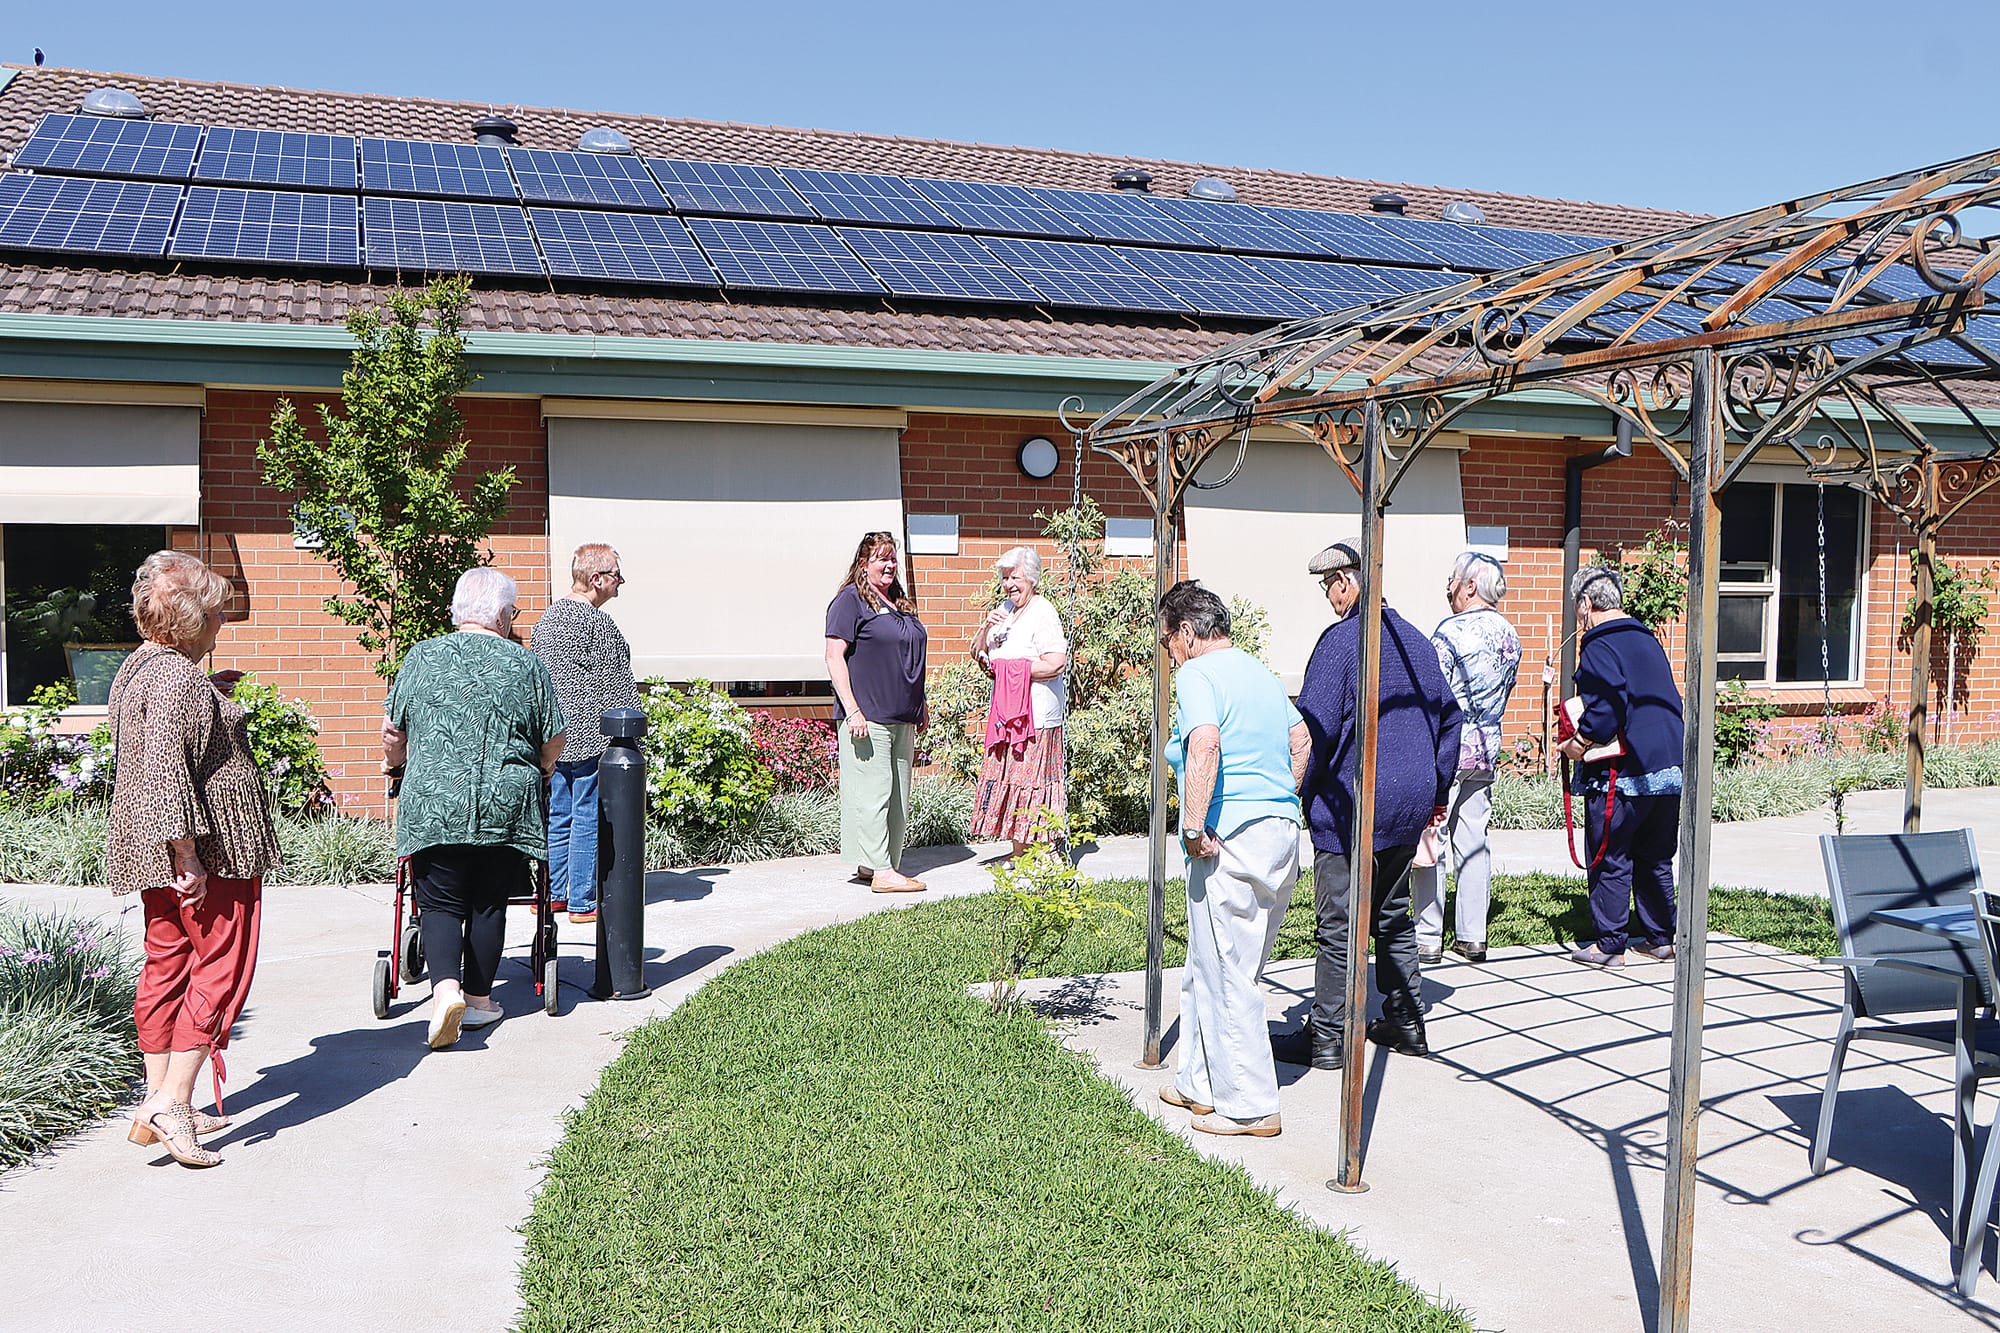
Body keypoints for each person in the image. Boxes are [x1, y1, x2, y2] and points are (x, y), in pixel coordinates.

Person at [107, 551, 279, 1169]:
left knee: (166, 966)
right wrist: (188, 854)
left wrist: (217, 704)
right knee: (219, 969)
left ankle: (158, 1098)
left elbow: (163, 744)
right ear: (190, 619)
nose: (220, 626)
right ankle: (173, 1103)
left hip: (153, 848)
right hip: (208, 850)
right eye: (214, 615)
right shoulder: (178, 678)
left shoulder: (140, 668)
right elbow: (163, 766)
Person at [1281, 538, 1461, 1070]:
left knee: (1338, 920)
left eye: (1328, 588)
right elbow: (1449, 722)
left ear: (1346, 581)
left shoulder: (1340, 642)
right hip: (1409, 800)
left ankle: (1328, 1036)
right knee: (1391, 910)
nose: (1329, 599)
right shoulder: (1416, 641)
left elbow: (1315, 730)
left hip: (1354, 803)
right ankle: (1407, 1021)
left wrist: (1302, 792)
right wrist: (1436, 790)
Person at [383, 567, 565, 1049]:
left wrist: (396, 763)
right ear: (504, 615)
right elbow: (553, 739)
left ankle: (445, 991)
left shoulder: (421, 657)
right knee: (489, 901)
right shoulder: (526, 665)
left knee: (440, 902)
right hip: (505, 804)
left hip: (434, 801)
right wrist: (544, 768)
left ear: (457, 611)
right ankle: (481, 1000)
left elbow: (393, 734)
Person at [1157, 581, 1310, 1138]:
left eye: (1169, 640)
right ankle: (1200, 1083)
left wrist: (1196, 826)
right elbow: (1302, 742)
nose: (1169, 652)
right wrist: (1279, 797)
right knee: (1209, 961)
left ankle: (1250, 1105)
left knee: (1230, 971)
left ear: (1188, 633)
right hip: (1279, 832)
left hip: (1231, 838)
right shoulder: (1260, 672)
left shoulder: (1197, 674)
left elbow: (1204, 745)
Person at [1559, 566, 1685, 968]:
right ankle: (1661, 938)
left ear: (1585, 604)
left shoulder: (1598, 643)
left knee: (1610, 853)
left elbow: (1606, 706)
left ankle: (1609, 945)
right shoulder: (1646, 638)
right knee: (1655, 856)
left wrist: (1578, 743)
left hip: (1623, 772)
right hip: (1667, 766)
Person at [1412, 551, 1522, 965]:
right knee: (1474, 838)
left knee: (1432, 838)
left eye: (1452, 581)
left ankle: (1428, 936)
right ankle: (1473, 935)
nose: (1448, 588)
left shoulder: (1449, 632)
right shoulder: (1510, 634)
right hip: (1487, 746)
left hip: (1448, 747)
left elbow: (1432, 695)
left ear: (1469, 586)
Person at [530, 543, 640, 925]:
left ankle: (554, 893)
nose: (620, 582)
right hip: (590, 737)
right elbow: (618, 685)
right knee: (587, 815)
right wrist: (632, 735)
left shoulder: (546, 620)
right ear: (596, 579)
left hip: (552, 739)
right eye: (615, 575)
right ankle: (581, 901)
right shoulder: (599, 624)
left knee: (558, 814)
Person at [824, 532, 930, 893]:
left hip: (902, 714)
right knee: (873, 792)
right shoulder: (849, 601)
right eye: (881, 559)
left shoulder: (898, 601)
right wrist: (852, 711)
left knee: (899, 795)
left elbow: (909, 655)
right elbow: (833, 657)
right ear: (863, 563)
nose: (889, 565)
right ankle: (883, 873)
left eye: (893, 559)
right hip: (867, 717)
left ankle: (875, 864)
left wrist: (922, 703)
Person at [969, 546, 1070, 854]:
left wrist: (1012, 671)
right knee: (1013, 779)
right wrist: (987, 627)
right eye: (1004, 578)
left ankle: (1042, 851)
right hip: (1007, 715)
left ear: (1032, 578)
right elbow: (977, 651)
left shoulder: (1043, 612)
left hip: (1036, 716)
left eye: (1015, 577)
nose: (1009, 584)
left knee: (1033, 782)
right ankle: (1019, 851)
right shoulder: (1005, 611)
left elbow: (1056, 662)